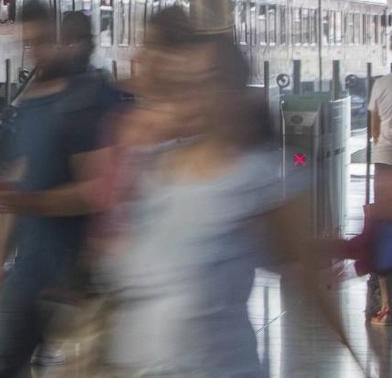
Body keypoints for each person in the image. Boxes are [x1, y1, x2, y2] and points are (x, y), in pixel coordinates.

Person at [99, 31, 354, 377]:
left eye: (207, 82)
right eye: (186, 81)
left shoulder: (267, 177)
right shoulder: (153, 167)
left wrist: (355, 357)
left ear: (236, 91)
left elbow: (306, 275)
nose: (193, 94)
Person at [0, 2, 120, 377]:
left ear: (62, 40)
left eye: (42, 42)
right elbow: (20, 185)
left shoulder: (86, 101)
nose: (35, 52)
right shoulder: (30, 101)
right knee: (0, 366)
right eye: (28, 44)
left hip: (77, 273)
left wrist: (89, 264)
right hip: (31, 269)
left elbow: (95, 191)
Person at [369, 72, 392, 324]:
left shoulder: (381, 84)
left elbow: (374, 128)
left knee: (385, 227)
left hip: (385, 158)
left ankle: (385, 305)